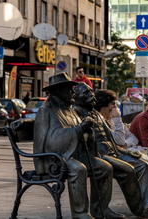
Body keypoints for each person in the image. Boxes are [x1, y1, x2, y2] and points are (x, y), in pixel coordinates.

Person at [73, 83, 148, 218]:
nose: (91, 96)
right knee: (126, 169)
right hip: (98, 154)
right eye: (87, 93)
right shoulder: (77, 113)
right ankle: (109, 209)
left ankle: (146, 205)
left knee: (142, 165)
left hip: (113, 151)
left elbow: (124, 139)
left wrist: (124, 147)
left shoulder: (95, 114)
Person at [33, 73, 121, 219]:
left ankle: (100, 210)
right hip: (53, 159)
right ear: (59, 90)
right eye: (69, 89)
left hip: (73, 154)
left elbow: (77, 129)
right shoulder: (47, 109)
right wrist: (79, 129)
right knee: (78, 169)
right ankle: (80, 213)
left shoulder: (69, 108)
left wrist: (87, 129)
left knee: (104, 167)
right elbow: (52, 139)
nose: (73, 92)